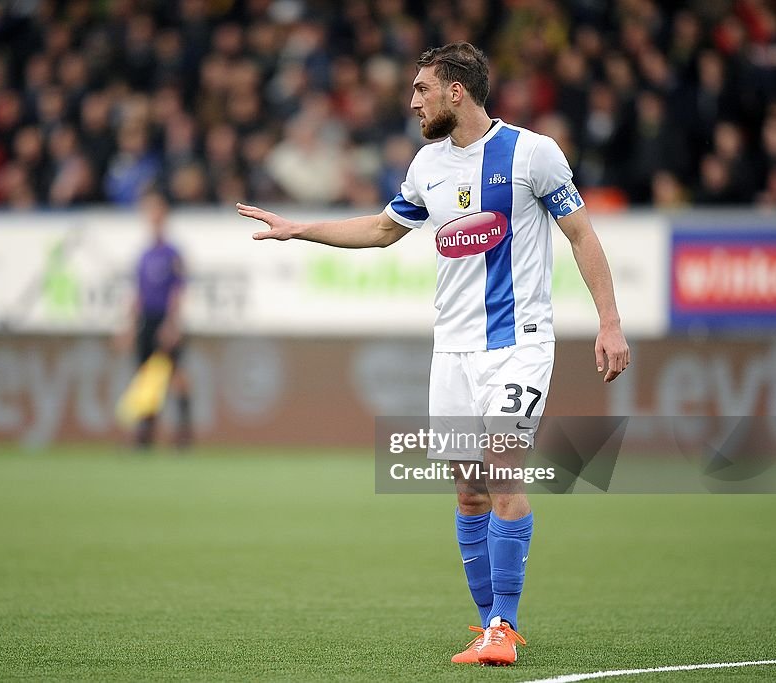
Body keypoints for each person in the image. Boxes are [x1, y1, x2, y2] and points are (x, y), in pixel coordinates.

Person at [237, 42, 629, 667]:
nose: (412, 99)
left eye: (422, 88)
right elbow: (385, 229)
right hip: (452, 350)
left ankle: (504, 626)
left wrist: (609, 321)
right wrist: (301, 229)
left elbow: (580, 233)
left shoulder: (532, 154)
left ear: (456, 91)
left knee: (503, 473)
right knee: (469, 493)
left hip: (517, 345)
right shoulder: (427, 165)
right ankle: (486, 627)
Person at [123, 191, 192, 449]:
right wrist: (129, 325)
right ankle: (145, 435)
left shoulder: (172, 253)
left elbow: (178, 290)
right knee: (145, 376)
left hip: (165, 319)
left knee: (175, 375)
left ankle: (183, 434)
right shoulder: (143, 255)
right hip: (146, 319)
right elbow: (138, 294)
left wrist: (172, 323)